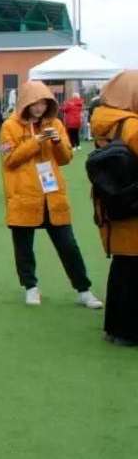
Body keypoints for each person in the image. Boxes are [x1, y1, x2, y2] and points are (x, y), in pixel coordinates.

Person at [0, 80, 103, 309]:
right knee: (23, 245)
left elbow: (66, 158)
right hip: (24, 193)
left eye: (44, 103)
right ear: (25, 102)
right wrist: (36, 142)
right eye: (35, 103)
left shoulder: (56, 123)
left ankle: (83, 289)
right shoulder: (10, 126)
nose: (39, 108)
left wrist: (56, 142)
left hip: (52, 193)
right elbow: (10, 160)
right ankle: (31, 287)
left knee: (68, 244)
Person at [88, 71, 138, 346]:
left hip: (111, 201)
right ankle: (128, 331)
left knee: (122, 266)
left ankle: (115, 327)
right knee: (133, 268)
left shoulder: (104, 120)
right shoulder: (130, 125)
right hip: (132, 205)